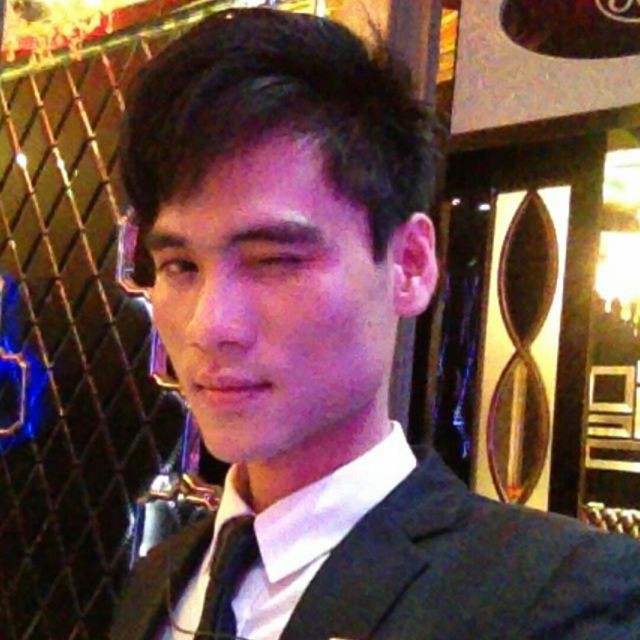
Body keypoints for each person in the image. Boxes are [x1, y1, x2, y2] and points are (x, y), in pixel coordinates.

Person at [111, 8, 640, 640]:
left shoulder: (560, 596)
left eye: (274, 260)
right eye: (179, 266)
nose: (210, 325)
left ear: (410, 264)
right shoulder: (163, 576)